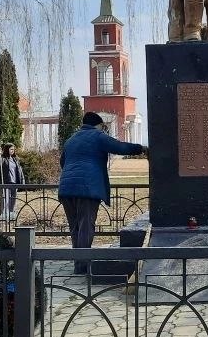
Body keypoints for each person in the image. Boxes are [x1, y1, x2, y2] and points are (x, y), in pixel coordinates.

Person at [59, 112, 146, 274]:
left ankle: (79, 263)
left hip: (66, 188)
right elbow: (119, 147)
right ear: (98, 125)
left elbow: (63, 162)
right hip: (87, 188)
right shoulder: (98, 136)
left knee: (75, 227)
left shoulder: (71, 139)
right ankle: (83, 265)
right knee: (86, 225)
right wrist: (140, 149)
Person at [0, 143, 26, 221]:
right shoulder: (2, 158)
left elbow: (19, 171)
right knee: (5, 200)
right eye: (11, 149)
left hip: (14, 183)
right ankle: (4, 215)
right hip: (5, 182)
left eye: (13, 149)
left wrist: (22, 181)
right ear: (6, 149)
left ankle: (11, 215)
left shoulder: (15, 159)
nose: (12, 151)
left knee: (13, 199)